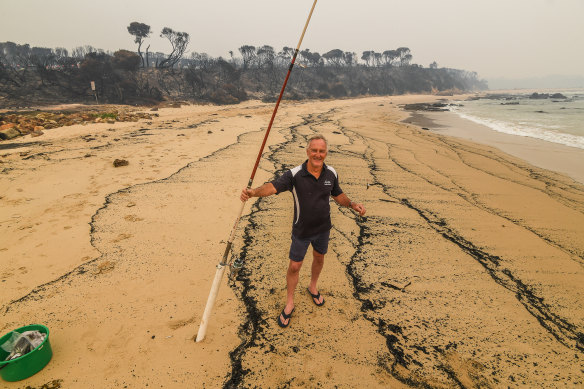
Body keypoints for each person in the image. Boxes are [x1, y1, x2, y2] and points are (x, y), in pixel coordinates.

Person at [240, 134, 366, 328]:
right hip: (301, 231)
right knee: (294, 267)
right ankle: (290, 302)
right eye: (314, 150)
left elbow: (337, 194)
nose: (317, 154)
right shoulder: (294, 174)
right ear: (307, 152)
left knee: (319, 259)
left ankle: (313, 286)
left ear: (326, 153)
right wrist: (253, 193)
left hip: (323, 228)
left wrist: (352, 204)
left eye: (321, 151)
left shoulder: (331, 173)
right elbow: (272, 187)